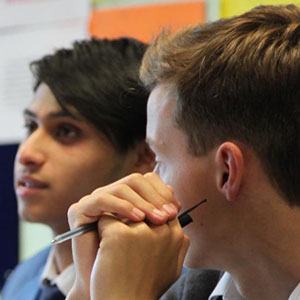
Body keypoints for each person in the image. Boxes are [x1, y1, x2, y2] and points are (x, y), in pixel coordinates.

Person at [65, 4, 300, 300]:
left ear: (227, 171)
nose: (146, 180)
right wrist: (88, 291)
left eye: (160, 160)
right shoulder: (186, 290)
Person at [1, 37, 164, 300]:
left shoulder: (179, 285)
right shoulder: (21, 279)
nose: (27, 153)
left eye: (66, 131)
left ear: (144, 156)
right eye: (31, 126)